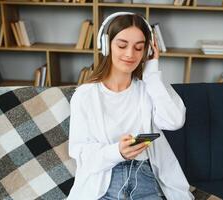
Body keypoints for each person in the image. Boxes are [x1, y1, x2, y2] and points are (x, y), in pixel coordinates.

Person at [67, 12, 194, 200]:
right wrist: (117, 152)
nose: (129, 54)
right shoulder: (85, 96)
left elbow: (174, 121)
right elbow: (81, 155)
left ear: (147, 51)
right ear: (105, 45)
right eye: (122, 45)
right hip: (104, 181)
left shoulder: (150, 88)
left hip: (143, 176)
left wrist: (152, 72)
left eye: (139, 48)